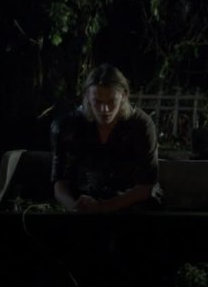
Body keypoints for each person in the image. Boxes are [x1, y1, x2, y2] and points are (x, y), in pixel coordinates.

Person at [50, 63, 161, 212]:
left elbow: (147, 186)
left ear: (124, 96)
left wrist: (103, 207)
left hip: (130, 204)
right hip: (82, 200)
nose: (105, 109)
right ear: (87, 97)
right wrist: (73, 207)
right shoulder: (69, 126)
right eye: (97, 101)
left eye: (111, 101)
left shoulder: (141, 125)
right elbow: (59, 181)